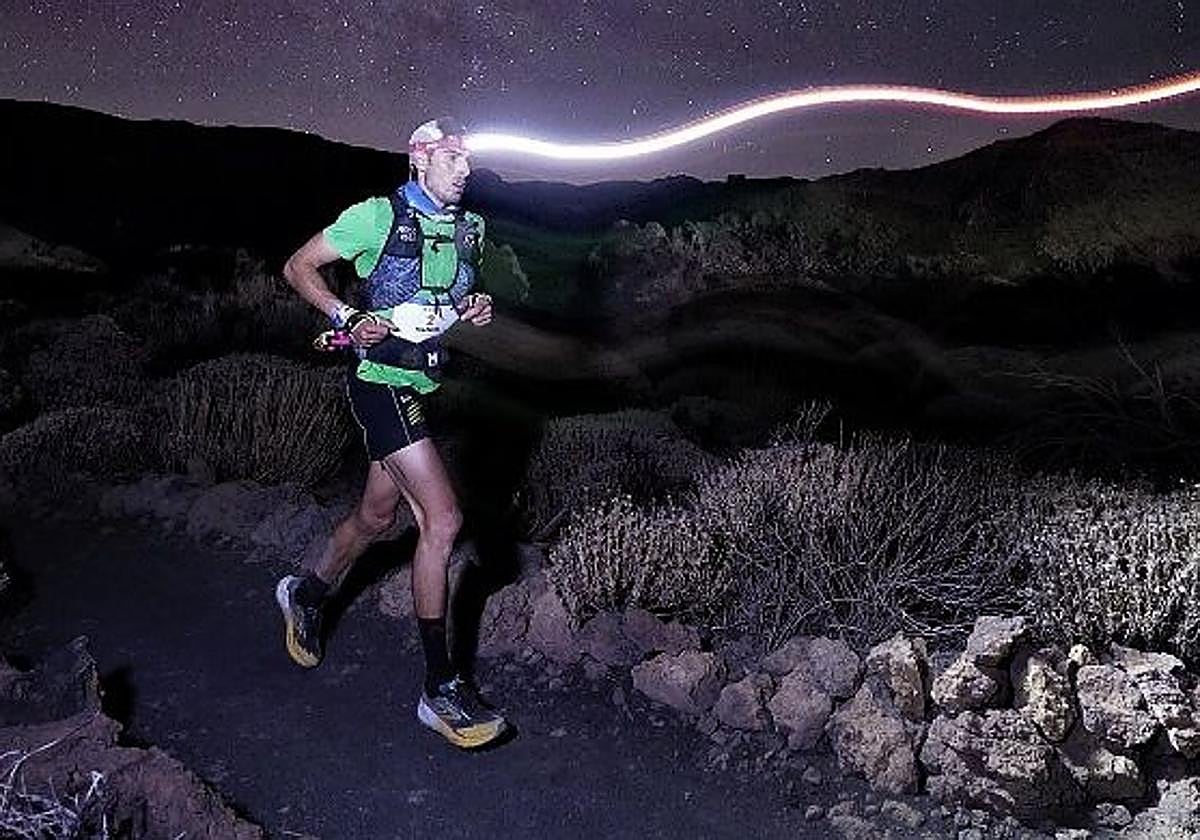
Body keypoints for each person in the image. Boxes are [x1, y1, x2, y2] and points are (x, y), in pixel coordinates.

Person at [276, 117, 506, 749]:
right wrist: (348, 314)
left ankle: (308, 594)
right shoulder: (375, 217)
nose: (464, 170)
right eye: (453, 158)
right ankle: (440, 690)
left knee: (377, 519)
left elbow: (456, 296)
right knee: (444, 519)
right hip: (377, 381)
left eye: (469, 160)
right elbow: (298, 268)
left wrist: (474, 307)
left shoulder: (471, 228)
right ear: (419, 158)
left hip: (421, 387)